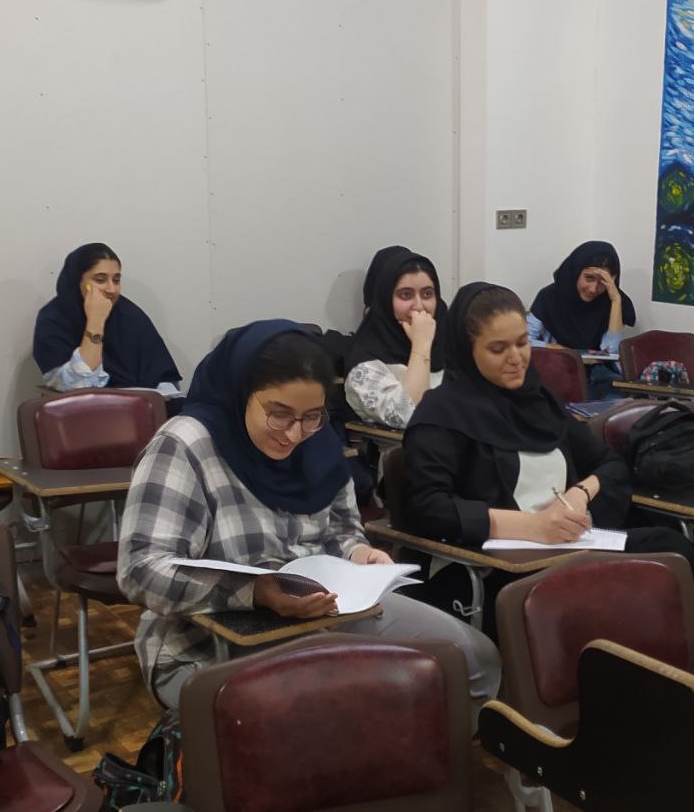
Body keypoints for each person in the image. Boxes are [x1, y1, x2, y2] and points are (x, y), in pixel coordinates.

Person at [117, 319, 500, 713]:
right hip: (208, 641)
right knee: (344, 705)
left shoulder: (319, 443)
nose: (294, 434)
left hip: (325, 614)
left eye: (312, 416)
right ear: (242, 393)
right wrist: (255, 593)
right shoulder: (187, 445)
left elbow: (341, 530)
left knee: (471, 656)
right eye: (279, 414)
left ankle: (437, 750)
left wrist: (358, 554)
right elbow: (140, 570)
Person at [403, 283, 694, 631]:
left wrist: (579, 494)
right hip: (497, 564)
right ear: (467, 349)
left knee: (674, 552)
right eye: (498, 349)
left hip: (565, 547)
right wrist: (532, 527)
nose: (516, 358)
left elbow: (610, 464)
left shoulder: (539, 403)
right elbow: (426, 507)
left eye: (522, 343)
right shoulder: (442, 415)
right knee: (608, 601)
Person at [33, 243, 181, 395]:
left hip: (140, 406)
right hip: (84, 408)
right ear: (77, 282)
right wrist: (96, 322)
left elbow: (166, 383)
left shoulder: (130, 316)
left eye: (116, 280)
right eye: (100, 279)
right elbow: (80, 387)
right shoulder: (52, 321)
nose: (111, 289)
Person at [344, 246, 447, 429]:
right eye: (405, 295)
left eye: (427, 294)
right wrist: (421, 345)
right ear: (385, 300)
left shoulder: (449, 346)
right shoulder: (365, 366)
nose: (419, 306)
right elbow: (410, 415)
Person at [528, 240, 636, 355]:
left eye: (603, 281)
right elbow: (523, 341)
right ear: (575, 272)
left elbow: (611, 352)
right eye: (589, 278)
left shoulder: (610, 300)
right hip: (557, 360)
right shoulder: (550, 297)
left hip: (598, 365)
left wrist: (616, 300)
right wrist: (557, 349)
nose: (593, 289)